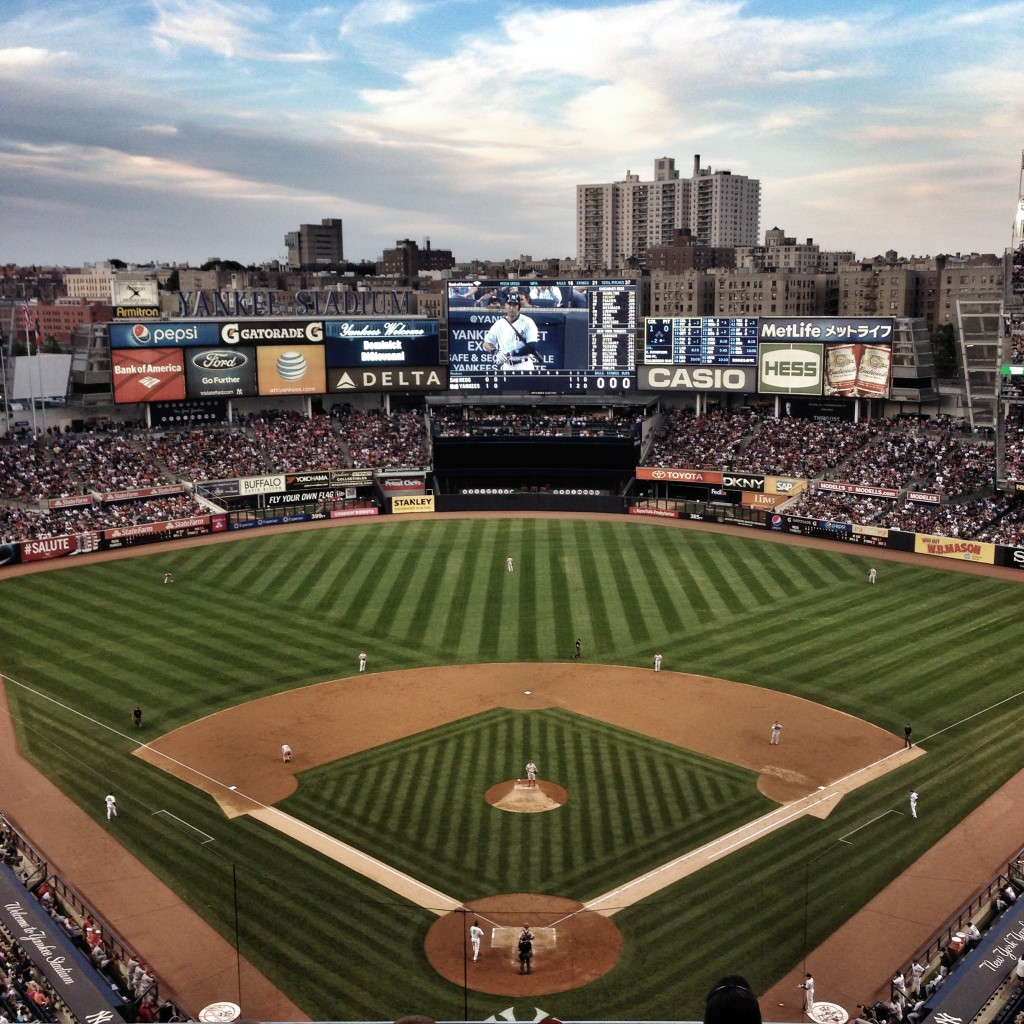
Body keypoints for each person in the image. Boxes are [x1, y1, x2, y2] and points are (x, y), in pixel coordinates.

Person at [482, 294, 542, 370]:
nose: (512, 308)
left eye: (515, 305)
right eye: (509, 304)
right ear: (505, 306)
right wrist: (495, 352)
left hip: (524, 364)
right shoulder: (499, 323)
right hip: (507, 366)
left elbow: (532, 346)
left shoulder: (528, 322)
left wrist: (511, 353)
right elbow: (486, 343)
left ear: (519, 307)